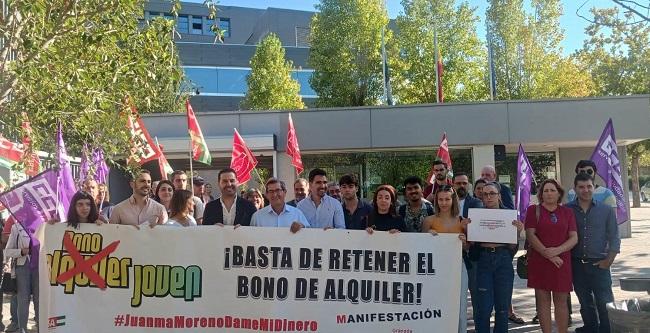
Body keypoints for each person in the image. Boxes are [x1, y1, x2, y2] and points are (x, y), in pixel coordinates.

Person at [568, 173, 620, 333]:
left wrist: (609, 260)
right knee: (585, 303)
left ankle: (607, 330)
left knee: (605, 302)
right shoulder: (567, 210)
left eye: (589, 186)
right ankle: (591, 328)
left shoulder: (606, 210)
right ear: (575, 189)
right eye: (581, 187)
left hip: (600, 264)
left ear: (594, 187)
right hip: (576, 264)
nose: (585, 190)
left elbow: (614, 236)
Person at [471, 181, 525, 333]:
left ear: (499, 196)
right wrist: (469, 231)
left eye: (492, 194)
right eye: (485, 194)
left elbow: (513, 248)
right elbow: (472, 245)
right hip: (483, 260)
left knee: (502, 307)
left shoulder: (509, 216)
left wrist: (517, 233)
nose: (488, 197)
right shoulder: (476, 216)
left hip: (503, 260)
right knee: (484, 307)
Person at [525, 179, 578, 333]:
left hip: (562, 262)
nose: (549, 193)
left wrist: (557, 251)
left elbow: (574, 237)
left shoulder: (567, 212)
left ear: (559, 193)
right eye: (545, 190)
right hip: (540, 261)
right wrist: (548, 254)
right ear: (541, 194)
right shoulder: (533, 210)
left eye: (552, 190)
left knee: (561, 301)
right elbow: (530, 235)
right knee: (543, 302)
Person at [421, 185, 470, 333]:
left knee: (460, 306)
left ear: (453, 200)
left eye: (447, 199)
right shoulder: (428, 221)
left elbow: (468, 248)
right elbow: (421, 246)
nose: (444, 203)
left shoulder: (462, 221)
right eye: (440, 199)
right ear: (436, 201)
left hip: (458, 266)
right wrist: (429, 236)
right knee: (436, 304)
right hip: (435, 268)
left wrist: (464, 241)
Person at [453, 172, 484, 325]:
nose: (462, 186)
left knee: (475, 293)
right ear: (453, 185)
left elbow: (477, 228)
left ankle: (479, 326)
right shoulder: (445, 202)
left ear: (469, 185)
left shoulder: (477, 203)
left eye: (464, 183)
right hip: (450, 256)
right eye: (458, 183)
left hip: (472, 255)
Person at [5, 220, 37, 333]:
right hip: (22, 268)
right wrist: (21, 252)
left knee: (40, 301)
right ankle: (22, 329)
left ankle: (41, 327)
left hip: (40, 269)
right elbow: (7, 251)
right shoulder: (16, 227)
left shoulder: (44, 226)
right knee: (23, 301)